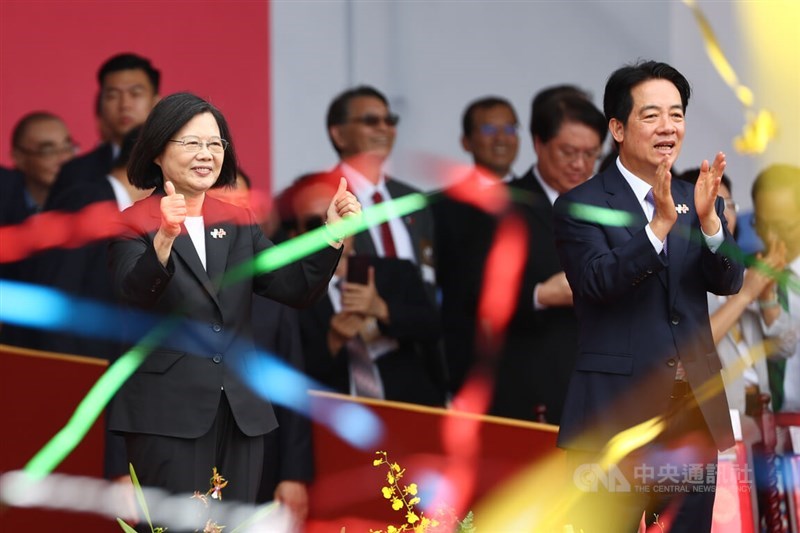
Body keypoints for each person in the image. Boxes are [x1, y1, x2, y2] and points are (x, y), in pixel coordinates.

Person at [107, 93, 359, 511]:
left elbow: (293, 288)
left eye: (215, 143)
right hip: (169, 416)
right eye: (191, 143)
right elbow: (134, 293)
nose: (206, 154)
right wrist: (165, 240)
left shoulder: (237, 220)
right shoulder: (132, 222)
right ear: (157, 151)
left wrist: (331, 235)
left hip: (241, 411)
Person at [553, 60, 744, 532]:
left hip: (691, 415)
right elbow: (597, 282)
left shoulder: (697, 196)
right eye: (652, 115)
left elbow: (729, 281)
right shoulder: (582, 204)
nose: (668, 128)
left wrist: (710, 224)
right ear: (617, 127)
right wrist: (658, 227)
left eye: (676, 115)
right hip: (613, 416)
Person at [490, 86, 606, 423]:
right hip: (533, 387)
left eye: (591, 154)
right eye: (568, 152)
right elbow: (470, 298)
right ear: (539, 143)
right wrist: (540, 295)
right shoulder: (502, 206)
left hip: (604, 389)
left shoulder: (610, 205)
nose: (580, 165)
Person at [285, 175, 446, 406]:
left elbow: (433, 329)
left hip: (409, 412)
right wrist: (333, 341)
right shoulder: (289, 295)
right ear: (295, 235)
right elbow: (289, 378)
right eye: (313, 224)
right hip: (336, 420)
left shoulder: (395, 271)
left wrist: (383, 310)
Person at [433, 96, 521, 395]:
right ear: (466, 142)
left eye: (509, 129)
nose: (501, 139)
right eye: (488, 130)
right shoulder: (440, 206)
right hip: (465, 359)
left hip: (529, 353)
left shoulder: (537, 200)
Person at [320, 85, 437, 298]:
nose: (384, 128)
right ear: (339, 135)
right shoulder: (321, 199)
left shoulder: (413, 200)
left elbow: (428, 278)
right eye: (371, 121)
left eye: (390, 121)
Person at [46, 53, 160, 208]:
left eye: (135, 94)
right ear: (100, 104)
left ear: (157, 102)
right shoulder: (75, 173)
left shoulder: (173, 165)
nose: (124, 105)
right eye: (113, 96)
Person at [751, 164, 800, 454]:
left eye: (783, 227)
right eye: (761, 224)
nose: (771, 237)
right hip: (762, 438)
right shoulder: (743, 277)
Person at [9, 111, 77, 213]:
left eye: (67, 148)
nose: (64, 159)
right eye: (48, 151)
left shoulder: (84, 204)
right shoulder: (6, 205)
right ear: (19, 158)